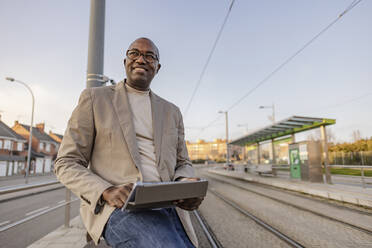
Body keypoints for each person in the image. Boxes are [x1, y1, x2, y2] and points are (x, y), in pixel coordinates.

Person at [54, 37, 203, 248]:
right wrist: (105, 190)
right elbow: (66, 163)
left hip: (168, 205)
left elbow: (183, 162)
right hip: (119, 207)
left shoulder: (172, 112)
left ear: (157, 67)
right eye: (135, 53)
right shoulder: (95, 99)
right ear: (125, 61)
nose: (141, 59)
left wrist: (186, 184)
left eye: (150, 56)